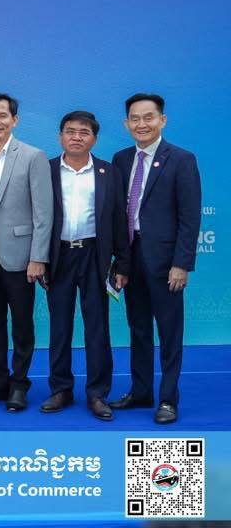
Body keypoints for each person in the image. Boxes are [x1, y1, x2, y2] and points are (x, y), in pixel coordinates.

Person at [110, 93, 201, 424]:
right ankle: (141, 392)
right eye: (135, 118)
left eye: (148, 117)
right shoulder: (121, 159)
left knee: (169, 332)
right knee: (138, 330)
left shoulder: (181, 159)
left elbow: (189, 217)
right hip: (131, 259)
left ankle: (167, 399)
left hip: (166, 263)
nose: (141, 124)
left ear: (162, 120)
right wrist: (120, 263)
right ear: (126, 124)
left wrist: (181, 263)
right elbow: (118, 215)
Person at [41, 111, 130, 421]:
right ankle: (60, 389)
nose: (76, 137)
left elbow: (119, 219)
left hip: (95, 256)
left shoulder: (109, 172)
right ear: (60, 136)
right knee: (59, 326)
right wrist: (38, 259)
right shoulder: (46, 170)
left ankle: (97, 393)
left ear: (94, 138)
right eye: (70, 131)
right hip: (59, 256)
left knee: (97, 327)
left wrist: (122, 263)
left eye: (84, 132)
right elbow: (37, 217)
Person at [0, 93, 53, 412]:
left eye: (3, 115)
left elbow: (44, 213)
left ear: (14, 120)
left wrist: (38, 258)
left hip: (20, 252)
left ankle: (19, 384)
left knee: (21, 321)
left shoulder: (32, 156)